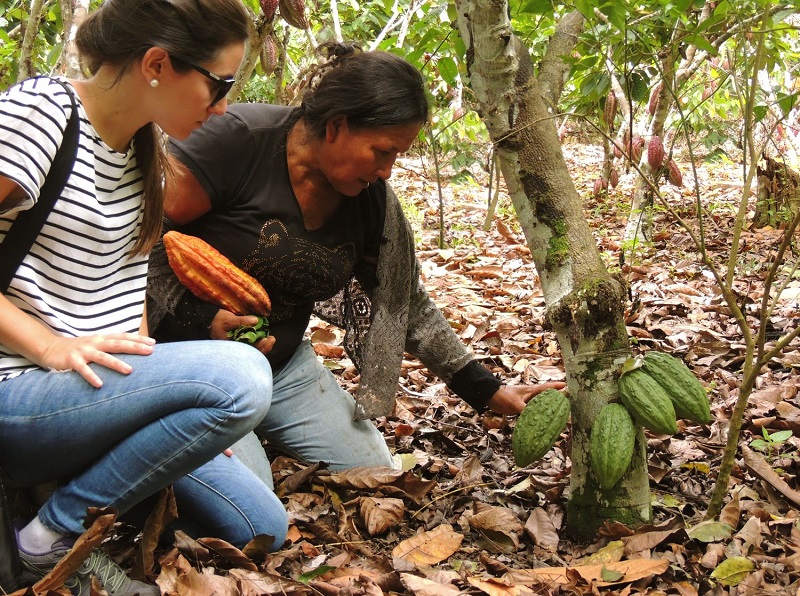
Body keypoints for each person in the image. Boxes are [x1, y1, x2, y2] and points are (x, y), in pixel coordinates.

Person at [146, 42, 565, 490]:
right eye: (381, 151)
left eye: (397, 156)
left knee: (373, 470)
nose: (387, 170)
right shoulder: (237, 142)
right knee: (249, 500)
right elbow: (136, 237)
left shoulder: (371, 203)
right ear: (337, 126)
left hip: (280, 365)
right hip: (188, 359)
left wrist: (486, 390)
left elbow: (407, 305)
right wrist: (199, 317)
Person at [0, 1, 288, 594]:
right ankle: (47, 537)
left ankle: (53, 498)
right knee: (243, 376)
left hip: (91, 393)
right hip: (18, 390)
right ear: (157, 63)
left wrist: (177, 412)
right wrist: (49, 345)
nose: (224, 105)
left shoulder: (143, 153)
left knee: (261, 525)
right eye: (220, 83)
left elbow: (123, 304)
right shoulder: (40, 115)